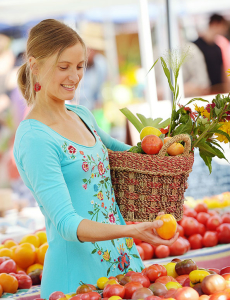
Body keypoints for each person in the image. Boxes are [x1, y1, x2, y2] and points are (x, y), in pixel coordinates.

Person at [13, 19, 178, 298]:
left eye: (80, 67)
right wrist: (134, 229)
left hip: (123, 266)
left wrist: (169, 150)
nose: (75, 77)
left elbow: (128, 154)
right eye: (63, 67)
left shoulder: (81, 115)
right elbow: (67, 224)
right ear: (35, 66)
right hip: (76, 280)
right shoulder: (34, 138)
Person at [193, 13, 229, 94]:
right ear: (215, 23)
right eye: (223, 26)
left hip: (218, 90)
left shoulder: (218, 48)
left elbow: (222, 70)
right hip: (204, 91)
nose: (225, 29)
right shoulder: (196, 46)